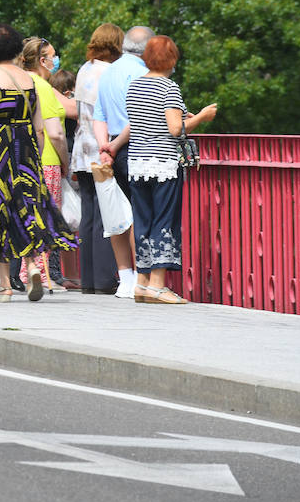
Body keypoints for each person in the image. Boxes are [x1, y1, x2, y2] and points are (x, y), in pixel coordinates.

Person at [103, 36, 218, 305]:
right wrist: (202, 116)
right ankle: (157, 284)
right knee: (164, 219)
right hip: (164, 164)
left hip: (138, 163)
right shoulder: (169, 88)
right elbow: (175, 129)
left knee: (142, 220)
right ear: (172, 60)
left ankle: (141, 283)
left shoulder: (135, 87)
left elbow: (141, 121)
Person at [0, 23, 76, 302]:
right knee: (25, 210)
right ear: (18, 49)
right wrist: (34, 158)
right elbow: (40, 127)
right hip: (27, 150)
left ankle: (4, 284)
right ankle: (31, 268)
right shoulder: (31, 81)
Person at [92, 25, 154, 291]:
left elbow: (99, 116)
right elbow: (137, 116)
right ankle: (143, 278)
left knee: (116, 213)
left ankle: (125, 278)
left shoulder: (109, 72)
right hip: (133, 147)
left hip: (111, 149)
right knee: (140, 214)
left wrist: (104, 146)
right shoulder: (142, 74)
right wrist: (116, 145)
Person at [72, 24, 122, 294]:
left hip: (82, 149)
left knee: (88, 216)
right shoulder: (111, 73)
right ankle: (105, 279)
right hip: (101, 148)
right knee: (106, 216)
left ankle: (88, 281)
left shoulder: (85, 69)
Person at [20, 36, 71, 293]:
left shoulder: (20, 82)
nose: (56, 60)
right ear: (42, 61)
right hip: (47, 161)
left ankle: (26, 271)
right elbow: (55, 133)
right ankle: (40, 272)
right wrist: (66, 163)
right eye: (53, 56)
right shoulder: (43, 86)